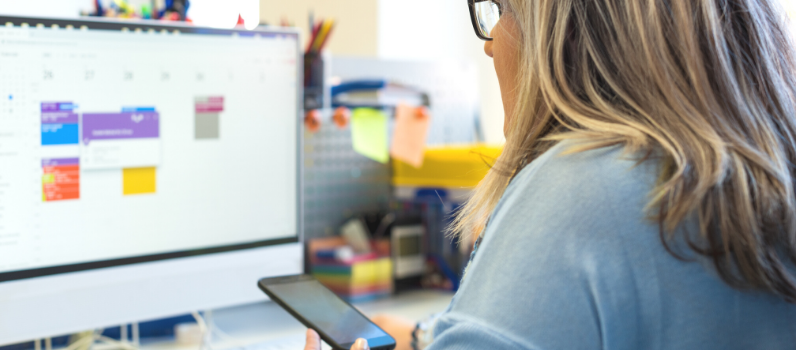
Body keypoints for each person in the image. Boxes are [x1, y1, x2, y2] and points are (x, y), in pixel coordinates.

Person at [306, 0, 796, 349]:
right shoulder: (764, 175)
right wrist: (428, 334)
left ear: (561, 33)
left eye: (500, 9)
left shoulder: (582, 187)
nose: (490, 46)